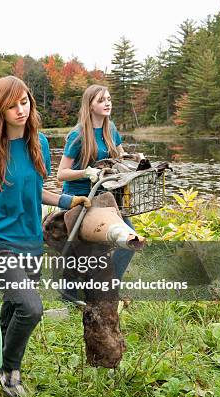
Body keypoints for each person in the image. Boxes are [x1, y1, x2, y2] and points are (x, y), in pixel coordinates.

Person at [0, 76, 90, 397]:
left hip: (31, 242)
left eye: (24, 102)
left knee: (11, 309)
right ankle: (10, 371)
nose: (20, 110)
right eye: (12, 105)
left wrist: (69, 201)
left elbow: (37, 192)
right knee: (31, 308)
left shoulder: (40, 144)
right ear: (0, 109)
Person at [56, 84, 135, 283]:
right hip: (81, 200)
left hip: (105, 198)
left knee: (131, 239)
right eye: (101, 100)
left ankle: (106, 285)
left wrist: (133, 161)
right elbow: (61, 173)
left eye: (108, 99)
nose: (107, 103)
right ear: (90, 106)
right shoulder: (78, 135)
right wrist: (87, 172)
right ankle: (71, 295)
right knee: (81, 252)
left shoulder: (111, 129)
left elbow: (119, 157)